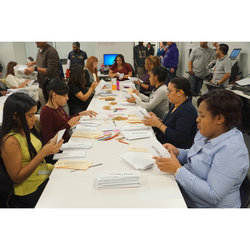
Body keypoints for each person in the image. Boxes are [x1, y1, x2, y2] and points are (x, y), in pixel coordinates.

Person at [153, 89, 249, 208]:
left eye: (202, 115)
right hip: (185, 193)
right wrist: (178, 152)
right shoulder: (206, 133)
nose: (197, 119)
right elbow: (197, 155)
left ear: (219, 119)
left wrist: (177, 170)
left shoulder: (232, 151)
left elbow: (213, 195)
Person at [0, 92, 63, 208]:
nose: (34, 119)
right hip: (29, 189)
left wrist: (49, 147)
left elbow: (34, 151)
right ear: (15, 116)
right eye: (30, 116)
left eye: (34, 114)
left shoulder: (26, 129)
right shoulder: (10, 141)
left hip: (43, 175)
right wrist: (42, 153)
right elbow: (17, 177)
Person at [143, 77, 197, 148]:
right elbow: (169, 125)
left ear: (180, 92)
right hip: (162, 142)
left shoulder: (187, 110)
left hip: (172, 149)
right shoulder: (175, 105)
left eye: (169, 91)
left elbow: (178, 137)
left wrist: (158, 124)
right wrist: (156, 120)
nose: (167, 94)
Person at [40, 78, 97, 144]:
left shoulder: (57, 107)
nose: (67, 98)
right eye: (64, 96)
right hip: (60, 147)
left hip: (68, 141)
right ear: (54, 95)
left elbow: (66, 120)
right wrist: (68, 125)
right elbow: (48, 140)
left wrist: (81, 114)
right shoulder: (46, 112)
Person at [24, 42, 60, 108]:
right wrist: (33, 62)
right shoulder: (40, 50)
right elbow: (43, 62)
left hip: (50, 88)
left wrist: (35, 68)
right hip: (42, 85)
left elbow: (51, 71)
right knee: (45, 109)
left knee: (51, 110)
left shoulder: (51, 51)